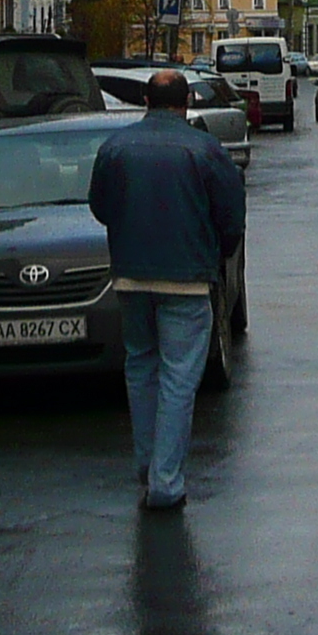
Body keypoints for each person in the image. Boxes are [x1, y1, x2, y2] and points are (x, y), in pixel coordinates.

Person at [87, 69, 246, 511]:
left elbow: (100, 206)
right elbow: (232, 216)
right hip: (189, 278)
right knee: (179, 377)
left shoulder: (116, 148)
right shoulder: (206, 150)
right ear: (186, 101)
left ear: (145, 101)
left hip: (131, 275)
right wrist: (217, 254)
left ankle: (147, 465)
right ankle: (165, 480)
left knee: (141, 368)